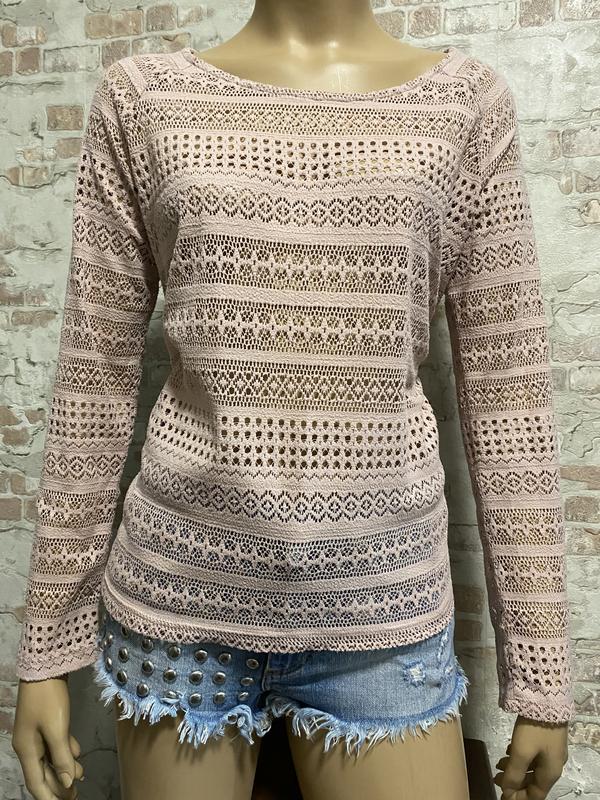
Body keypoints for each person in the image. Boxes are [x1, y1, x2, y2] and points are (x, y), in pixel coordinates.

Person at [11, 2, 573, 799]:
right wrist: (47, 649)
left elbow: (509, 397)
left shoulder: (467, 105)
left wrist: (543, 674)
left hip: (382, 613)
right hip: (179, 604)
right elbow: (91, 383)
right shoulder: (141, 98)